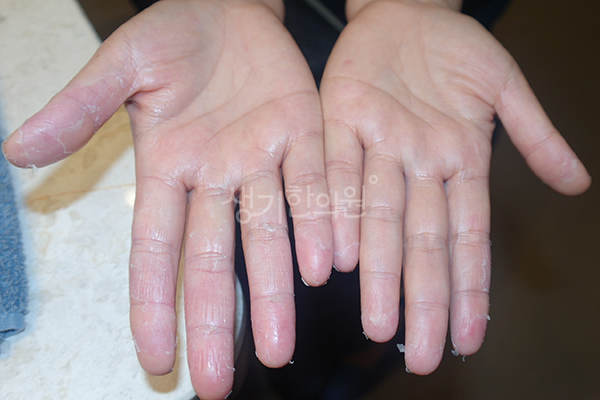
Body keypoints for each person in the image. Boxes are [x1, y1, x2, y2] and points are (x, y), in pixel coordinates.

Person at [2, 0, 590, 398]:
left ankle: (337, 367)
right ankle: (309, 372)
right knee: (253, 228)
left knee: (390, 231)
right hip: (222, 47)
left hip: (411, 63)